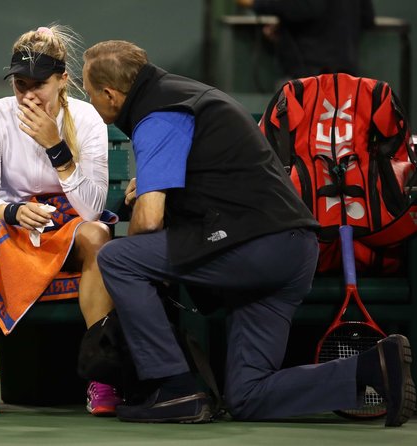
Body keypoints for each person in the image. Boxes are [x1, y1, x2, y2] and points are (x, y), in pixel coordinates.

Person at [81, 40, 416, 426]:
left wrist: (146, 214)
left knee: (118, 258)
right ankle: (373, 370)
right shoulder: (184, 95)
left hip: (256, 246)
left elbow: (149, 221)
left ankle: (173, 389)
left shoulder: (158, 113)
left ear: (110, 93)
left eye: (90, 95)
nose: (91, 104)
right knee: (247, 395)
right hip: (294, 250)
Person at [0, 25, 120, 417]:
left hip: (69, 226)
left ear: (62, 80)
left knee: (99, 235)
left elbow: (91, 208)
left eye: (39, 84)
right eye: (21, 84)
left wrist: (55, 145)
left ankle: (100, 374)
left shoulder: (86, 118)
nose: (28, 94)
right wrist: (13, 212)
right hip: (13, 226)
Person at [236, 0, 375, 79]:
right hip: (346, 68)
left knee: (298, 126)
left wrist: (255, 3)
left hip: (309, 71)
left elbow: (307, 7)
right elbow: (367, 18)